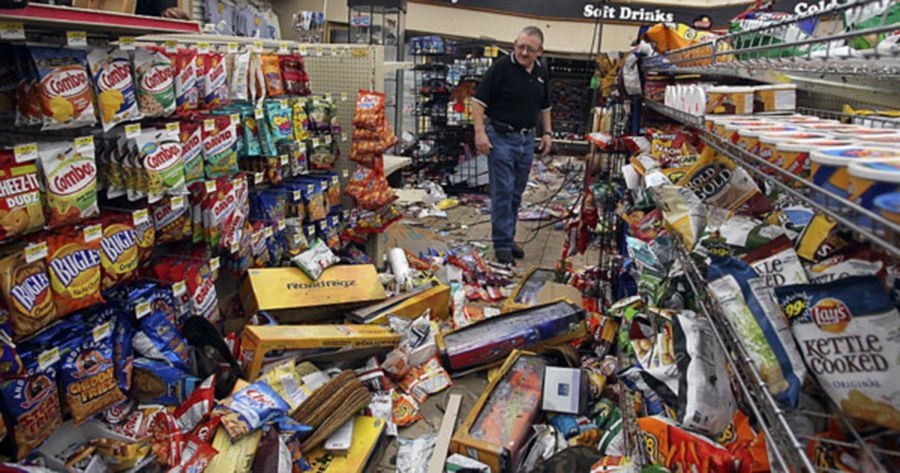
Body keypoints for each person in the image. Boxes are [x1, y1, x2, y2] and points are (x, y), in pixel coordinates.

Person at [472, 26, 553, 265]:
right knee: (503, 191)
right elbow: (477, 102)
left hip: (526, 140)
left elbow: (545, 105)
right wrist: (479, 133)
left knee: (516, 193)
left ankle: (507, 237)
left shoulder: (541, 71)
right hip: (500, 137)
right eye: (520, 46)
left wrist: (547, 132)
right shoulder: (501, 68)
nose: (523, 52)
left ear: (540, 51)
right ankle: (502, 244)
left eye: (530, 49)